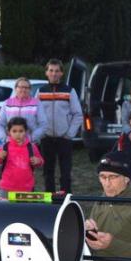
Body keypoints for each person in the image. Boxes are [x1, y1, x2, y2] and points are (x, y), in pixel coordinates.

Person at [36, 59, 83, 193]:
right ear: (46, 72)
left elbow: (78, 114)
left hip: (64, 138)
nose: (54, 73)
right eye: (51, 70)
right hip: (47, 138)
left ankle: (66, 199)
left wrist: (70, 134)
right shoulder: (40, 91)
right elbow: (35, 113)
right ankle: (50, 199)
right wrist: (40, 133)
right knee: (47, 172)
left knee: (65, 172)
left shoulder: (69, 91)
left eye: (57, 71)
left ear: (61, 73)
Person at [0, 116, 44, 197]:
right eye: (14, 131)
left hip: (27, 189)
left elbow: (41, 162)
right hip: (6, 189)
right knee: (4, 210)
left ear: (26, 132)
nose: (18, 134)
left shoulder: (32, 147)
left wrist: (39, 161)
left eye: (21, 131)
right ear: (9, 132)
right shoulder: (4, 147)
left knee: (24, 210)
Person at [0, 77, 48, 144]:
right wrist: (5, 139)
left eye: (26, 87)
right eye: (21, 87)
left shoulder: (37, 103)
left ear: (30, 89)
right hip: (11, 144)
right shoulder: (7, 103)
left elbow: (43, 125)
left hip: (31, 144)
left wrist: (31, 138)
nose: (23, 89)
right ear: (16, 88)